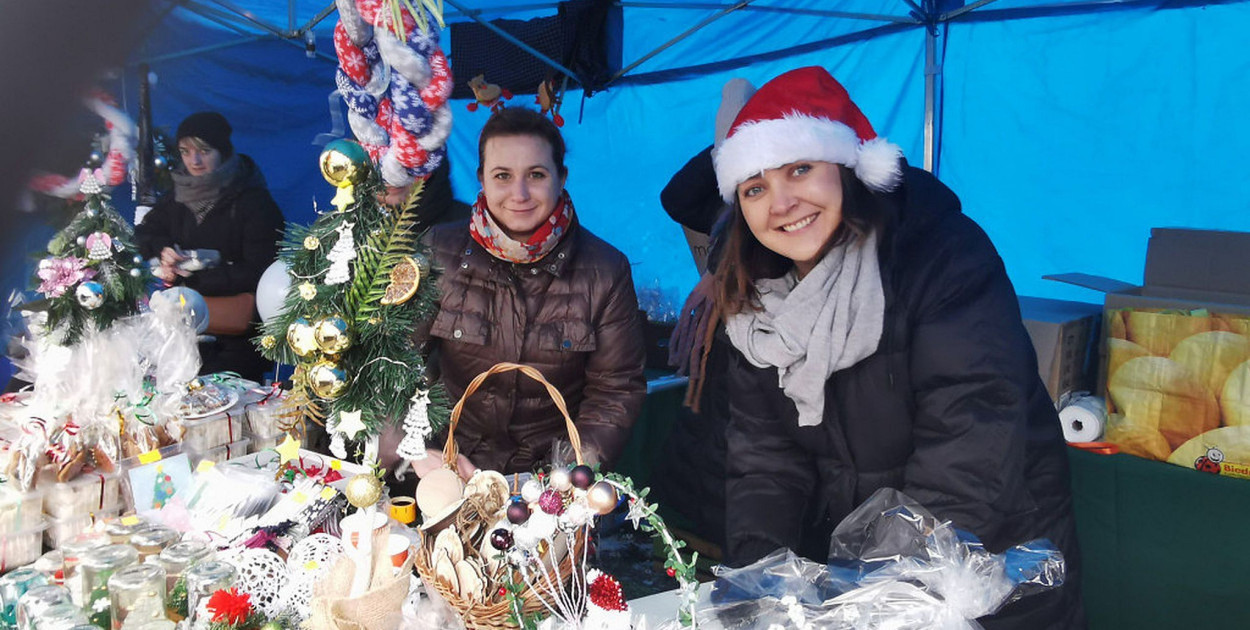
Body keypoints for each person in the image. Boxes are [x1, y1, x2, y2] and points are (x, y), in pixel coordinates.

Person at [707, 67, 1083, 628]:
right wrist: (764, 576)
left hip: (982, 562)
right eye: (755, 187)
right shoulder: (756, 302)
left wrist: (896, 596)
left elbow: (970, 432)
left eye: (801, 169)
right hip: (852, 580)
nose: (781, 202)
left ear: (847, 168)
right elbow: (764, 459)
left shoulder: (940, 255)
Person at [412, 107, 646, 478]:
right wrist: (420, 450)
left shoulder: (605, 270)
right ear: (482, 179)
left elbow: (614, 392)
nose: (519, 194)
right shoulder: (437, 251)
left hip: (546, 478)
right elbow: (397, 365)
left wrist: (570, 475)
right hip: (449, 467)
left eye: (536, 175)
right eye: (502, 176)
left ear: (561, 177)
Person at [135, 112, 284, 382]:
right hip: (185, 335)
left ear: (223, 151)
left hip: (237, 340)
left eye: (204, 151)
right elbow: (145, 232)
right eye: (185, 151)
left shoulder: (253, 202)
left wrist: (200, 276)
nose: (194, 160)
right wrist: (163, 250)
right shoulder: (177, 196)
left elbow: (264, 268)